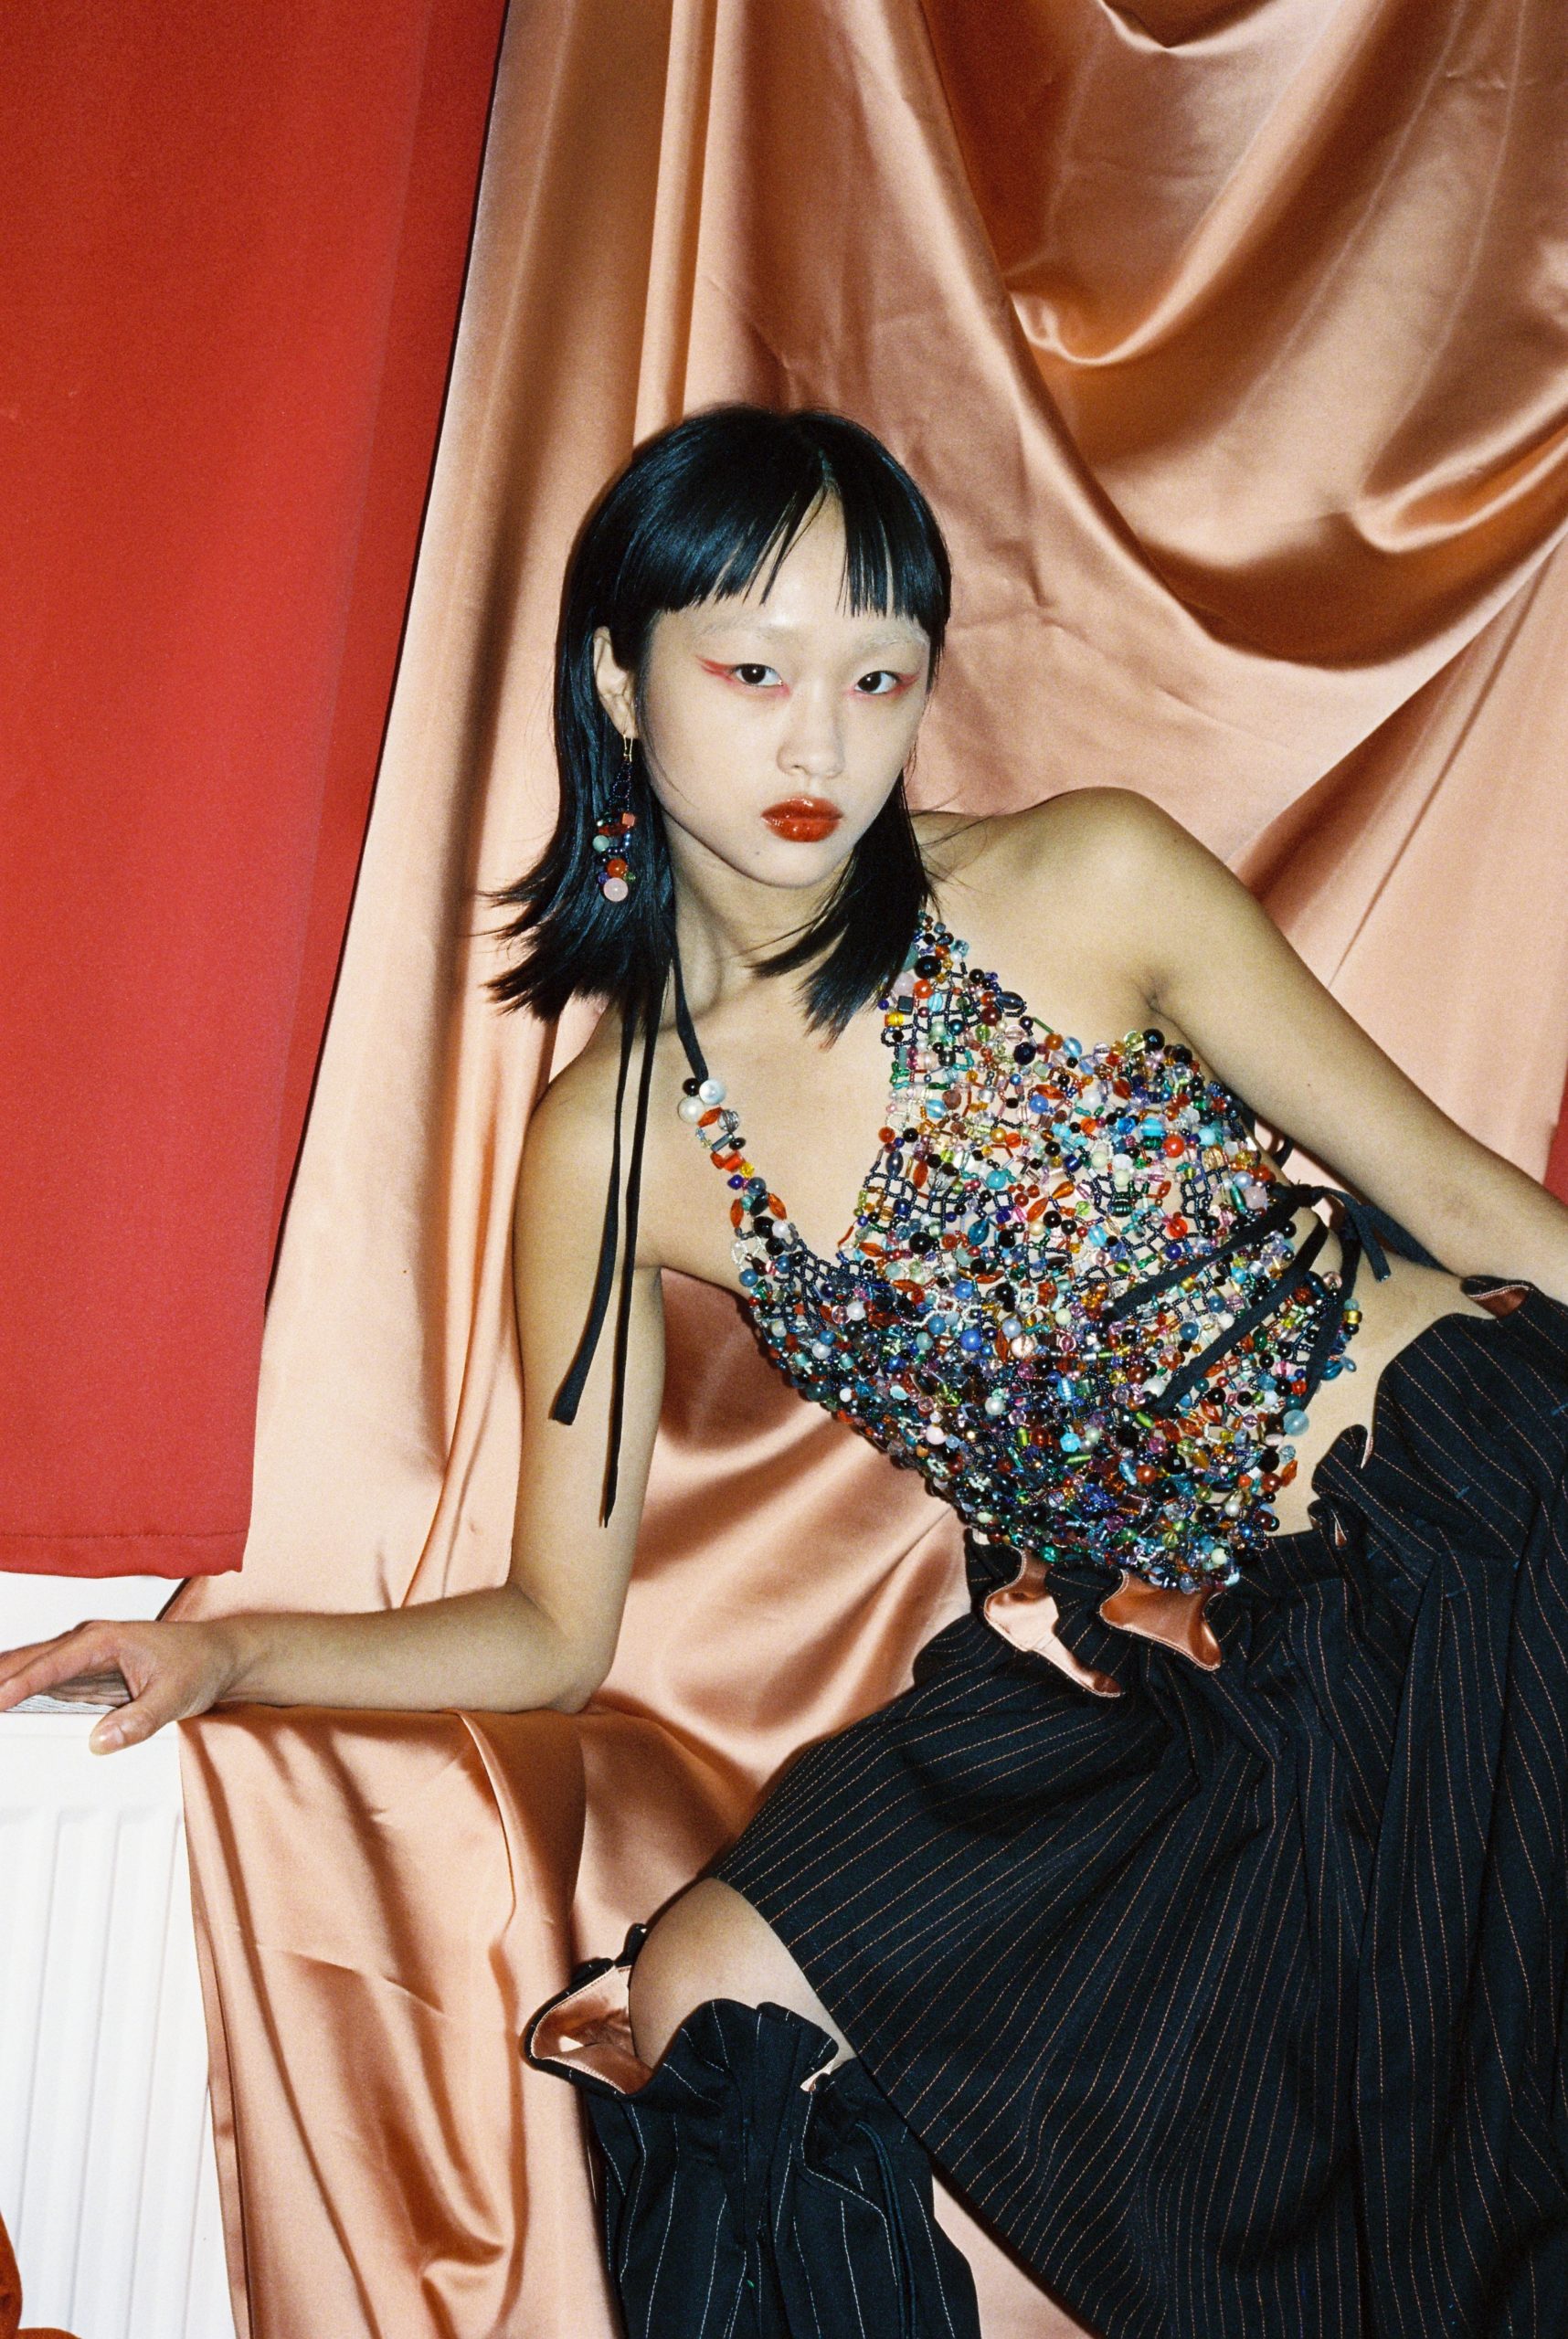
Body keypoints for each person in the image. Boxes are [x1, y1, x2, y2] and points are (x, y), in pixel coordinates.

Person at [4, 406, 1567, 2338]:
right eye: (753, 672)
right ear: (620, 677)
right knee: (727, 1993)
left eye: (878, 677)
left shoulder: (1086, 880)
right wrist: (234, 1653)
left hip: (1493, 1527)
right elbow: (552, 1629)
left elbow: (1470, 1204)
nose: (821, 743)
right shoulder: (612, 1148)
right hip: (1223, 1683)